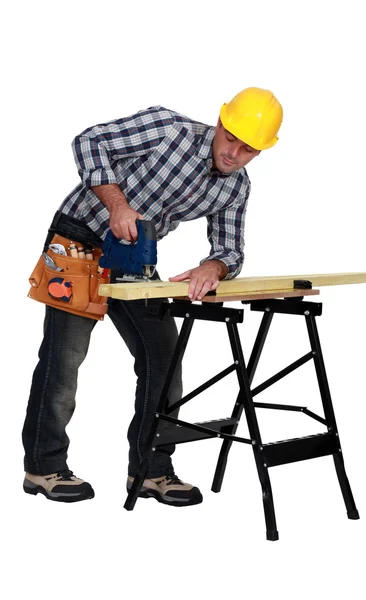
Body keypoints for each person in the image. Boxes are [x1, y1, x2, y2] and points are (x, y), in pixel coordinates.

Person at [22, 87, 283, 507]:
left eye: (249, 149)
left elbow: (230, 249)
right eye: (231, 139)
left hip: (131, 258)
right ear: (220, 123)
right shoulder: (167, 129)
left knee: (163, 355)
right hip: (80, 235)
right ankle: (43, 466)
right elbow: (89, 141)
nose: (235, 153)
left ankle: (150, 472)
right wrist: (117, 205)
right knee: (64, 356)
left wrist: (212, 267)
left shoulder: (235, 187)